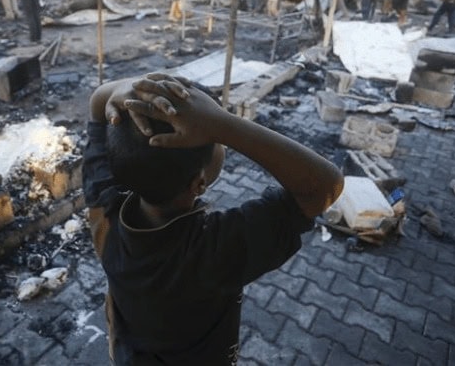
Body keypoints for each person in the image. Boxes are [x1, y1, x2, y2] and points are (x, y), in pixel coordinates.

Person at [83, 73, 344, 365]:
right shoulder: (214, 251)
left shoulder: (105, 213)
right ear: (199, 183)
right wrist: (221, 124)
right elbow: (324, 185)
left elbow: (97, 103)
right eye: (217, 141)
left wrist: (126, 87)